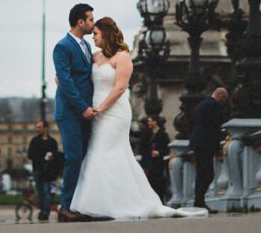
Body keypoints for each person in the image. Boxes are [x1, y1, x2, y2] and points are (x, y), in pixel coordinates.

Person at [71, 17, 198, 221]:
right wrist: (62, 76)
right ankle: (102, 203)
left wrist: (101, 108)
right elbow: (78, 73)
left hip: (114, 113)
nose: (92, 37)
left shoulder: (122, 56)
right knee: (97, 152)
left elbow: (120, 88)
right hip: (97, 112)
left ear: (106, 33)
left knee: (107, 152)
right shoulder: (95, 57)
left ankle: (111, 204)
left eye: (95, 33)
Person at [51, 3, 96, 221]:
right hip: (70, 112)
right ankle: (65, 206)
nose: (93, 23)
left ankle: (78, 204)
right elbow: (67, 82)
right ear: (80, 21)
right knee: (73, 157)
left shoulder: (86, 46)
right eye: (90, 19)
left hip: (84, 111)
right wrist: (83, 107)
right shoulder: (62, 46)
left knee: (83, 158)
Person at [191, 87, 229, 212]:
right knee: (208, 174)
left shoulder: (200, 104)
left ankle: (198, 202)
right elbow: (222, 121)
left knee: (201, 173)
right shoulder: (214, 105)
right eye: (224, 100)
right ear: (221, 97)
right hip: (206, 143)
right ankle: (199, 202)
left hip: (197, 143)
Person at [26, 120, 61, 221]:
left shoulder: (52, 141)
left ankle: (46, 212)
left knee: (46, 191)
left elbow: (56, 155)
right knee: (40, 192)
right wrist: (42, 158)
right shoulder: (35, 140)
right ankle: (43, 211)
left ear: (46, 128)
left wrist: (52, 156)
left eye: (39, 127)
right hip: (37, 169)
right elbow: (30, 154)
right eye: (37, 127)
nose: (37, 129)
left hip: (48, 171)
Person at [140, 113, 171, 203]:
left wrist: (159, 153)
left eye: (150, 121)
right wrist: (150, 153)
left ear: (155, 122)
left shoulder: (163, 134)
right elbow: (142, 149)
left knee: (158, 184)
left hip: (158, 164)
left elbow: (166, 149)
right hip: (147, 163)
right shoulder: (146, 134)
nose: (148, 123)